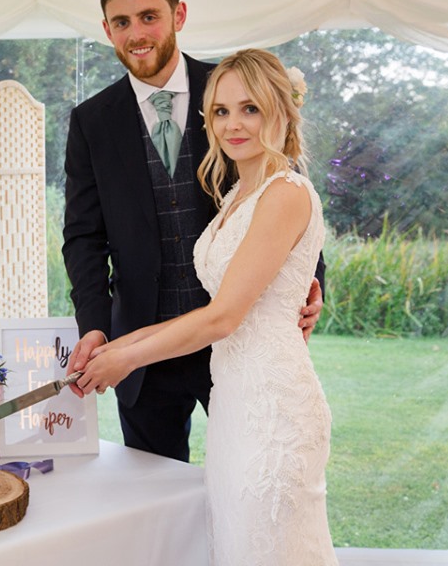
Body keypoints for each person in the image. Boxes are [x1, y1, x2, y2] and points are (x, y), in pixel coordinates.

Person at [77, 48, 337, 565]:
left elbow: (223, 316)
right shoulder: (240, 191)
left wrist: (127, 358)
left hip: (272, 408)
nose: (233, 124)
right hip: (235, 402)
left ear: (282, 112)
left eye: (251, 109)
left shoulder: (284, 193)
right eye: (220, 111)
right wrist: (116, 341)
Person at [62, 0, 325, 463]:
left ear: (178, 15)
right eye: (122, 22)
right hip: (143, 346)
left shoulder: (235, 92)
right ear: (107, 30)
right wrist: (95, 325)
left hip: (238, 339)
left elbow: (286, 189)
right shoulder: (92, 121)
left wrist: (310, 282)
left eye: (149, 16)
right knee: (157, 505)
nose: (137, 33)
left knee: (255, 478)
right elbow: (83, 237)